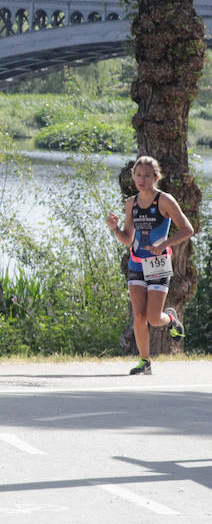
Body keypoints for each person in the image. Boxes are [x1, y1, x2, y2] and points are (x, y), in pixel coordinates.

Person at [106, 155, 194, 375]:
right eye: (138, 175)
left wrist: (165, 243)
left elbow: (187, 229)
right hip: (136, 263)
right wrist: (115, 228)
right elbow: (128, 238)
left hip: (158, 262)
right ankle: (144, 361)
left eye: (146, 175)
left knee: (154, 319)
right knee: (138, 315)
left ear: (156, 177)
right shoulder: (131, 203)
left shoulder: (164, 201)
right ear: (133, 176)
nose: (141, 179)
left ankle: (171, 319)